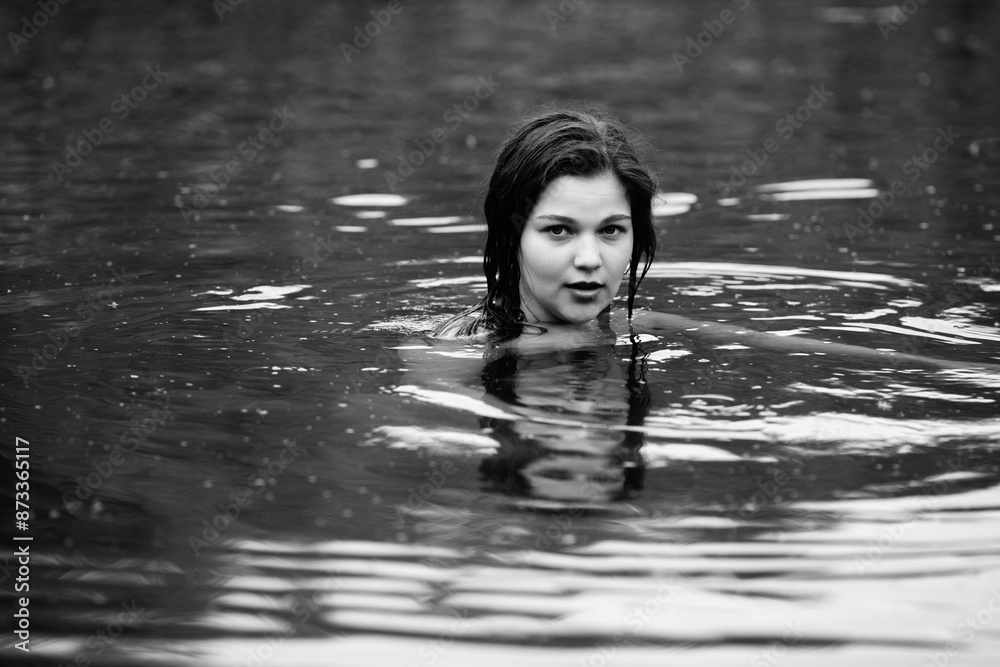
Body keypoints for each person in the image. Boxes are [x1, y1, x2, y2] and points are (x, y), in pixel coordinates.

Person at [432, 107, 996, 372]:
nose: (589, 259)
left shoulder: (635, 327)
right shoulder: (457, 354)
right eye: (558, 230)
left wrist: (966, 370)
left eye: (611, 231)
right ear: (513, 233)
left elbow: (798, 348)